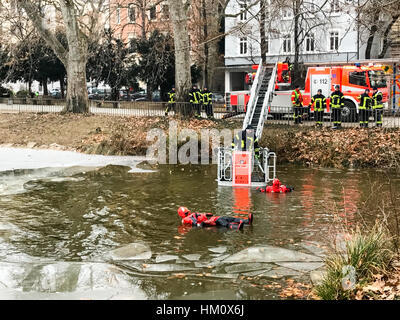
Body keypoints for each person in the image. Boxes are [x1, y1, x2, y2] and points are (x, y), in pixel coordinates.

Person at [177, 207, 253, 230]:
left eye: (188, 212)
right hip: (212, 222)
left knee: (229, 218)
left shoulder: (193, 214)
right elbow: (194, 223)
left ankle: (247, 221)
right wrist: (202, 224)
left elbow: (205, 214)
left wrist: (206, 214)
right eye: (186, 212)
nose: (188, 213)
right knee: (225, 223)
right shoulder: (185, 219)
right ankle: (238, 227)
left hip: (213, 219)